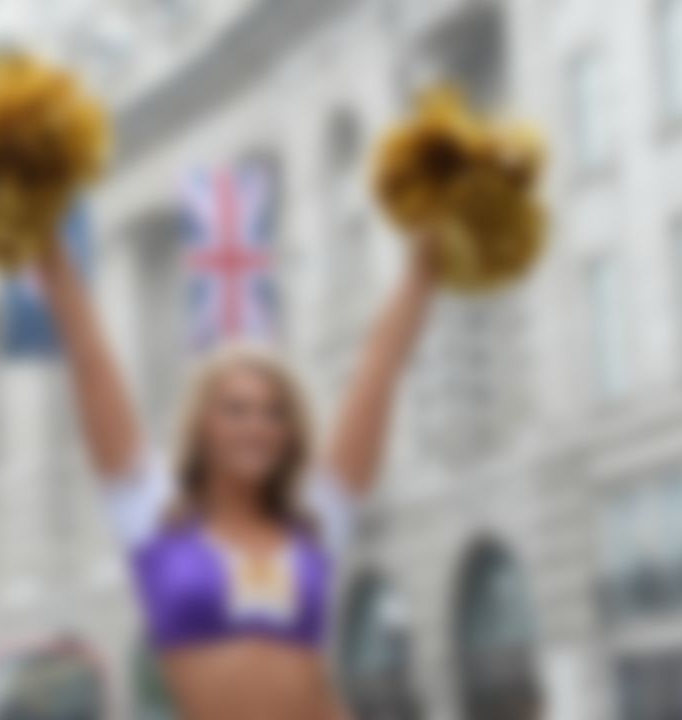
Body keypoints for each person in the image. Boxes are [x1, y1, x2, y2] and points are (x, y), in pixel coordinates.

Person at [35, 228, 436, 720]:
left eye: (274, 413)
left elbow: (381, 367)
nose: (257, 427)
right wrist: (49, 251)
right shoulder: (155, 518)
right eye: (236, 410)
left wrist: (426, 268)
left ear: (290, 433)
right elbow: (89, 358)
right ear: (202, 425)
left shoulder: (314, 523)